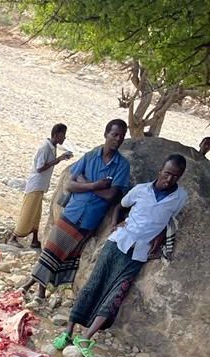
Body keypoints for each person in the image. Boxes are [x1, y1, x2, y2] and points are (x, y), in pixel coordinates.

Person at [52, 155, 189, 357]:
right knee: (93, 285)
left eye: (175, 176)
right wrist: (116, 223)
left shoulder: (180, 197)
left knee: (116, 294)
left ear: (180, 177)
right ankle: (68, 332)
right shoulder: (141, 190)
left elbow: (169, 219)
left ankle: (86, 337)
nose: (169, 179)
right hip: (118, 243)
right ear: (160, 170)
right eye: (167, 173)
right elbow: (120, 206)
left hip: (138, 253)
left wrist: (159, 238)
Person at [21, 119, 131, 302]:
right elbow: (70, 184)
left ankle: (35, 288)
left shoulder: (122, 165)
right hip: (73, 211)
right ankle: (37, 290)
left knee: (63, 254)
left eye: (121, 136)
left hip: (90, 219)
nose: (118, 139)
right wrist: (95, 185)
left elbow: (111, 195)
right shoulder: (90, 156)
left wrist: (85, 183)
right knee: (51, 249)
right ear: (106, 134)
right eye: (115, 134)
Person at [6, 124, 73, 248]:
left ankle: (34, 239)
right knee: (28, 212)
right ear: (57, 134)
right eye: (63, 135)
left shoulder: (51, 147)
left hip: (41, 186)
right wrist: (59, 159)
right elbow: (40, 168)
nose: (64, 138)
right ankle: (13, 237)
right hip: (35, 184)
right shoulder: (45, 148)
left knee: (36, 213)